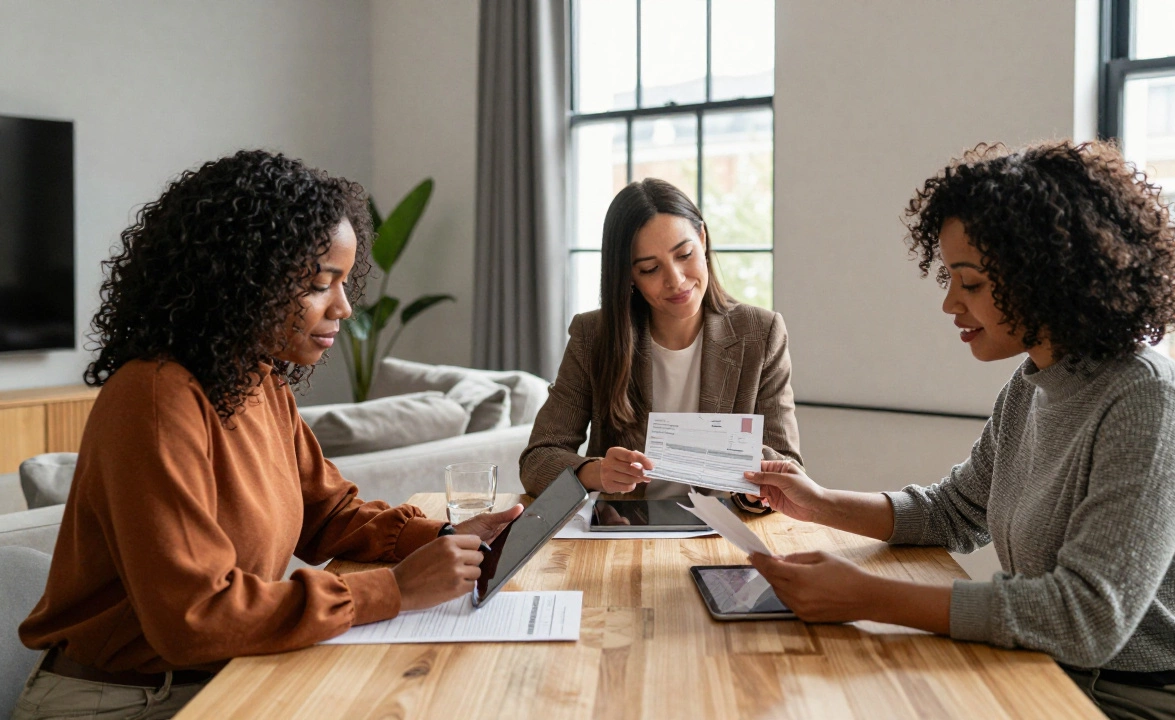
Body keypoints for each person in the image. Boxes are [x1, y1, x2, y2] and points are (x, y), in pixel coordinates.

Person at [744, 140, 1175, 720]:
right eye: (949, 278)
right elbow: (954, 511)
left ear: (1049, 277)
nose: (950, 304)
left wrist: (867, 596)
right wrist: (819, 503)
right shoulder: (1034, 381)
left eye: (972, 283)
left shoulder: (1149, 402)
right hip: (1052, 670)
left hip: (1150, 699)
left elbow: (1084, 618)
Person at [14, 150, 521, 720]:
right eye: (317, 283)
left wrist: (443, 539)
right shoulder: (155, 397)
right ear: (241, 280)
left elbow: (327, 514)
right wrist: (394, 590)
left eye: (345, 283)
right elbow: (195, 616)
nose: (345, 307)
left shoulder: (257, 379)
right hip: (125, 701)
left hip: (223, 674)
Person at [520, 178, 802, 509]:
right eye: (650, 268)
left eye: (684, 254)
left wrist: (750, 479)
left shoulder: (761, 333)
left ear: (702, 238)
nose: (676, 280)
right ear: (628, 276)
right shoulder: (594, 335)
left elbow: (789, 468)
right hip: (624, 531)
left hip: (725, 534)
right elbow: (537, 459)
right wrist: (595, 472)